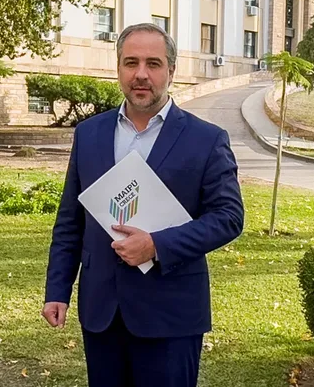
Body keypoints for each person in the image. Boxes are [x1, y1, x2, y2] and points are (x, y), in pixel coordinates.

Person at [42, 22, 245, 387]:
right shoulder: (89, 134)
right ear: (118, 67)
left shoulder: (207, 139)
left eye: (153, 63)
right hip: (101, 311)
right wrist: (58, 289)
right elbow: (71, 220)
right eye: (130, 62)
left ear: (171, 70)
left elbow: (228, 218)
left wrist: (156, 245)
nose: (141, 74)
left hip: (171, 314)